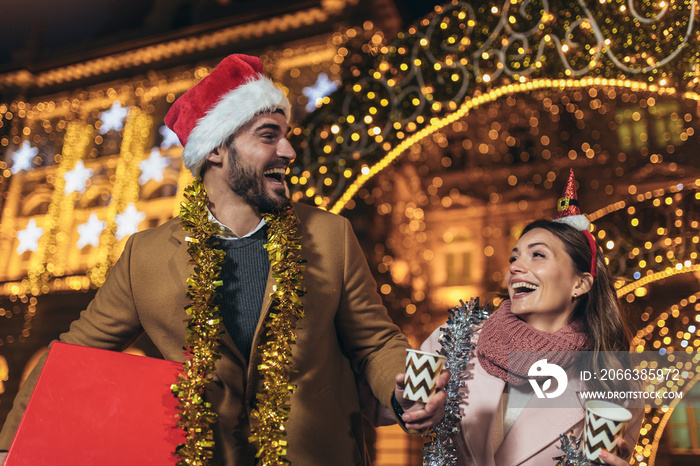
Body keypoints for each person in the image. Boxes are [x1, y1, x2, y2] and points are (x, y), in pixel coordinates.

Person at [0, 54, 446, 465]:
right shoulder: (145, 256)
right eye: (268, 136)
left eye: (285, 136)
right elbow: (69, 358)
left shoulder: (332, 235)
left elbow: (375, 344)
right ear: (216, 149)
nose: (289, 152)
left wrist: (404, 389)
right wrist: (8, 448)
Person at [418, 170, 642, 465]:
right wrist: (401, 401)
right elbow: (386, 407)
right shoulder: (457, 338)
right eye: (515, 257)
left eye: (537, 255)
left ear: (580, 284)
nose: (515, 267)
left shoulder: (614, 381)